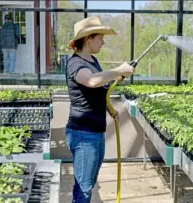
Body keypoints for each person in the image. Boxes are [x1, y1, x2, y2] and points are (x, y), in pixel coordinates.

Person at [65, 16, 135, 203]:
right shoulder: (75, 64)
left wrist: (109, 108)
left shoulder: (93, 61)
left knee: (88, 183)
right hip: (83, 133)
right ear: (88, 39)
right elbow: (91, 81)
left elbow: (97, 90)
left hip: (96, 132)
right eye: (100, 38)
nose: (103, 42)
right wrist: (119, 70)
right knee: (84, 188)